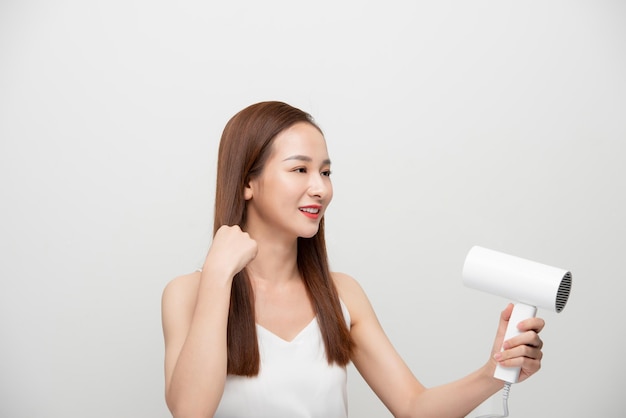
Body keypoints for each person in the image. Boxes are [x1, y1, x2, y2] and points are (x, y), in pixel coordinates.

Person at [161, 101, 545, 418]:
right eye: (300, 169)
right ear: (248, 181)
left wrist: (495, 370)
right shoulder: (189, 293)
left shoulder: (341, 294)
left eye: (325, 172)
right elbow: (189, 411)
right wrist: (218, 276)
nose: (321, 188)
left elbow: (414, 407)